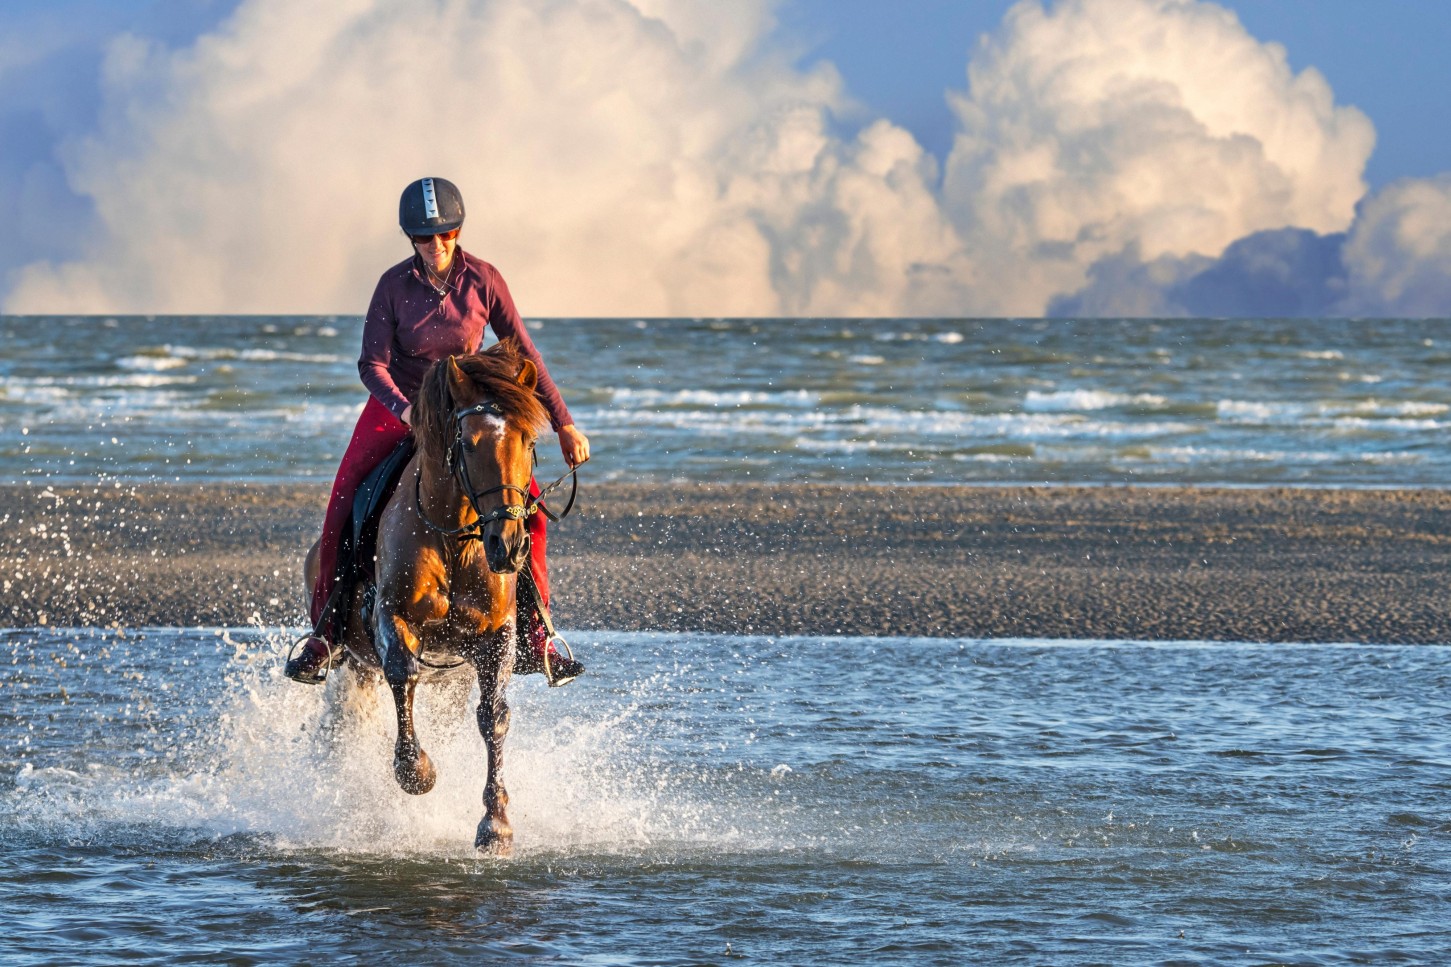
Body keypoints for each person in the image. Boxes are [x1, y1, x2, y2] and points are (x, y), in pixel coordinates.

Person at [285, 176, 589, 686]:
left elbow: (524, 353)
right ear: (411, 240)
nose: (437, 245)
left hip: (464, 405)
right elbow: (371, 364)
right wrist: (405, 411)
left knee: (527, 508)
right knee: (344, 500)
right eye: (425, 237)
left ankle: (539, 634)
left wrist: (564, 423)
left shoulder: (484, 279)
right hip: (400, 406)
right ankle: (327, 632)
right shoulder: (393, 286)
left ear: (458, 231)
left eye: (445, 234)